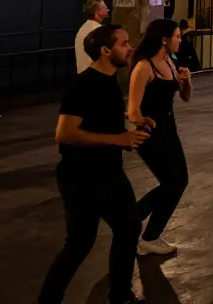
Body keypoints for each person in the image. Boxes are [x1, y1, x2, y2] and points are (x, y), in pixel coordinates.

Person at [38, 24, 149, 304]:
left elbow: (101, 120)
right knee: (91, 239)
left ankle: (115, 295)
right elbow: (64, 133)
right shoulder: (84, 84)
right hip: (86, 175)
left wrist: (135, 124)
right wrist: (118, 139)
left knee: (113, 232)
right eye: (123, 43)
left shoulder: (109, 80)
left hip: (104, 170)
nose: (130, 47)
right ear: (105, 51)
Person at [127, 19, 192, 255]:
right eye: (177, 36)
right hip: (150, 133)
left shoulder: (171, 63)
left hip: (169, 129)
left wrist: (187, 81)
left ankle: (146, 233)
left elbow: (185, 97)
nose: (180, 40)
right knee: (172, 183)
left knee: (180, 181)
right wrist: (141, 123)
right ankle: (133, 221)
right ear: (164, 39)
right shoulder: (144, 67)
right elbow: (133, 109)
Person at [74, 0, 110, 73]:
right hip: (94, 75)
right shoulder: (99, 30)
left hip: (82, 73)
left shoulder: (83, 27)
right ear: (97, 11)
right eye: (104, 8)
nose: (107, 9)